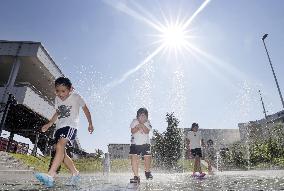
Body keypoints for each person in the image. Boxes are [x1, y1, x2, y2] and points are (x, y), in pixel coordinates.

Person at [35, 77, 94, 187]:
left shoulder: (76, 97)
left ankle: (51, 175)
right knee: (62, 153)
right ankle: (75, 173)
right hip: (59, 128)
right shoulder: (57, 99)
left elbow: (86, 109)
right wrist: (49, 124)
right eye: (57, 91)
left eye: (63, 91)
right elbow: (58, 112)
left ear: (70, 89)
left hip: (71, 126)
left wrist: (90, 123)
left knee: (60, 145)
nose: (60, 94)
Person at [129, 108, 153, 183]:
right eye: (141, 116)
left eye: (144, 116)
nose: (142, 117)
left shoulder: (148, 122)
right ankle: (136, 176)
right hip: (135, 144)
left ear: (147, 117)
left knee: (147, 158)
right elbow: (132, 131)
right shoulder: (134, 121)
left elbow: (146, 131)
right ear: (137, 116)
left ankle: (147, 172)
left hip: (145, 144)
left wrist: (142, 125)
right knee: (134, 159)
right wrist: (138, 126)